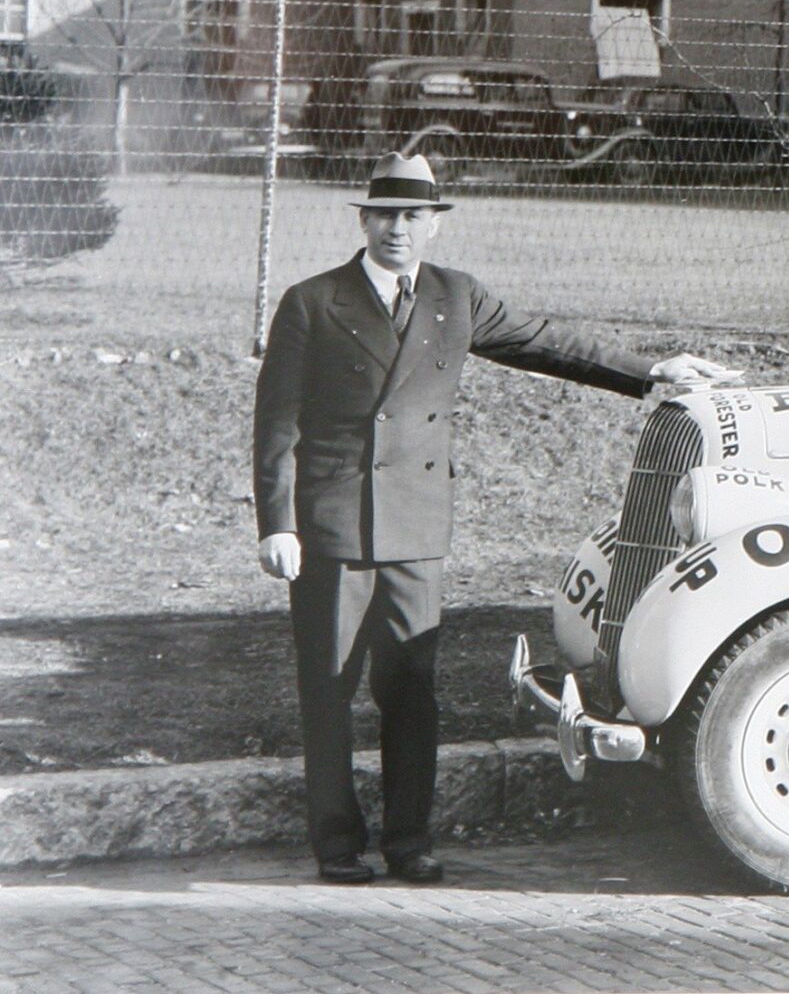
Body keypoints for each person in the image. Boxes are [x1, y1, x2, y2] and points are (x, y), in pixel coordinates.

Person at [252, 152, 739, 884]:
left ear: (433, 228)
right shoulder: (313, 301)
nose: (397, 229)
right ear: (363, 220)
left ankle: (409, 842)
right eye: (384, 214)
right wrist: (276, 522)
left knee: (412, 690)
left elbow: (545, 344)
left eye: (414, 216)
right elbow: (276, 423)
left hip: (416, 527)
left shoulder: (456, 297)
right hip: (332, 526)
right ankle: (337, 843)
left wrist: (649, 372)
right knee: (329, 687)